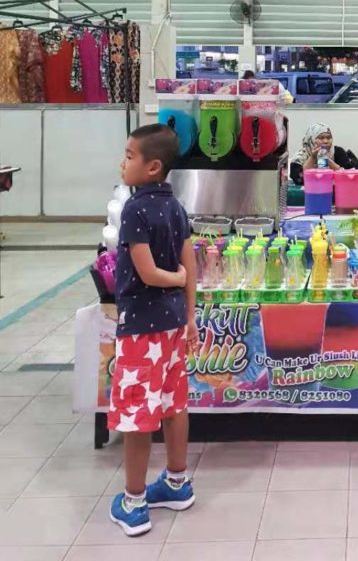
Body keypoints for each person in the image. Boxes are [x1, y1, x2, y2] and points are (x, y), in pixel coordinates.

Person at [108, 123, 200, 537]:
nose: (122, 162)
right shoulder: (175, 206)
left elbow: (147, 272)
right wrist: (192, 313)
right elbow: (190, 263)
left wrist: (176, 280)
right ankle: (177, 483)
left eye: (129, 156)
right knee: (173, 404)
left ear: (153, 167)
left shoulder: (135, 210)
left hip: (141, 330)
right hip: (173, 325)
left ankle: (134, 501)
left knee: (136, 413)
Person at [290, 122, 358, 185]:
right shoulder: (300, 156)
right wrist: (313, 157)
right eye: (321, 138)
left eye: (329, 137)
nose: (326, 141)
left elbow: (350, 177)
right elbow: (299, 180)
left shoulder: (338, 152)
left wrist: (329, 161)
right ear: (311, 139)